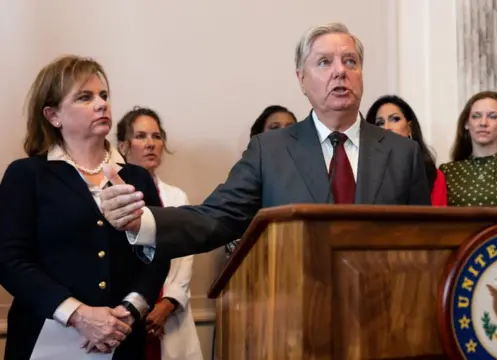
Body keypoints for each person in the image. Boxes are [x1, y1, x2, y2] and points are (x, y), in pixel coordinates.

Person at [99, 22, 431, 262]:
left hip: (387, 318)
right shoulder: (269, 151)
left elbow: (424, 243)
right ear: (302, 79)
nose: (340, 72)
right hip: (297, 321)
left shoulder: (404, 153)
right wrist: (142, 221)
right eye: (324, 62)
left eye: (350, 62)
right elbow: (215, 217)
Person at [0, 55, 169, 359]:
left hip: (123, 340)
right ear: (53, 116)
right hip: (44, 339)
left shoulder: (137, 176)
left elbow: (156, 254)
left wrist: (131, 311)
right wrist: (78, 314)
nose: (102, 104)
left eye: (103, 95)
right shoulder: (27, 175)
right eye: (84, 97)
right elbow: (9, 260)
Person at [117, 107, 203, 360]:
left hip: (169, 312)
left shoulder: (177, 197)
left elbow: (186, 257)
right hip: (124, 312)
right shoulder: (112, 196)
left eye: (156, 136)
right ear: (123, 146)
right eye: (141, 136)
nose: (151, 144)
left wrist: (168, 303)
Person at [225, 105, 298, 258]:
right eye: (274, 127)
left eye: (290, 128)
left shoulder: (309, 178)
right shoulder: (247, 178)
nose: (283, 132)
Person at [365, 95, 446, 205]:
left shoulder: (434, 175)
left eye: (395, 119)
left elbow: (435, 220)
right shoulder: (362, 169)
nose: (386, 127)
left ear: (410, 128)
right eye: (380, 123)